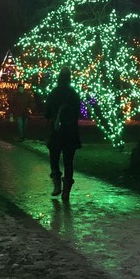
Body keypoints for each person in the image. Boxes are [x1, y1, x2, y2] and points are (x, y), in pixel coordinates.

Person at [44, 66, 81, 200]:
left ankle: (57, 184)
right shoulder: (73, 93)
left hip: (56, 131)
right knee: (68, 162)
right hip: (70, 132)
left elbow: (47, 112)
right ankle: (66, 191)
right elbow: (78, 112)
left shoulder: (54, 93)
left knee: (54, 159)